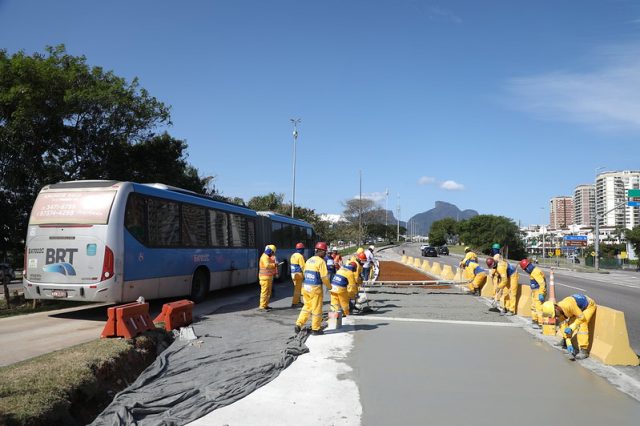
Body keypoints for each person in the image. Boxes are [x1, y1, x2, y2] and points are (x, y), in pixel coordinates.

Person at [542, 294, 597, 360]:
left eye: (555, 315)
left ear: (556, 308)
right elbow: (563, 326)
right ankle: (564, 341)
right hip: (577, 309)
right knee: (569, 324)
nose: (556, 317)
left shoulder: (568, 305)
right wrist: (568, 342)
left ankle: (584, 351)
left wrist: (572, 327)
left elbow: (581, 317)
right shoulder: (559, 311)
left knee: (582, 324)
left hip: (588, 306)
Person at [295, 242, 332, 335]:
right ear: (321, 251)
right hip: (315, 288)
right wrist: (329, 287)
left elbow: (305, 272)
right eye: (325, 252)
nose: (325, 254)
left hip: (306, 286)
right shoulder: (321, 262)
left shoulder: (309, 260)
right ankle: (316, 328)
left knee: (307, 306)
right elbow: (324, 277)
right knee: (316, 308)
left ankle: (299, 323)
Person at [519, 258, 547, 329]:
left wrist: (541, 293)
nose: (525, 271)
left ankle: (540, 323)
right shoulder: (533, 271)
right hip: (535, 291)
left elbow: (542, 284)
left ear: (527, 268)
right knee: (533, 306)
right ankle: (535, 320)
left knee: (538, 307)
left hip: (539, 291)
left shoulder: (535, 272)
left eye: (525, 269)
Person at [258, 245, 277, 311]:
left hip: (268, 277)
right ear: (270, 251)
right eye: (272, 252)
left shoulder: (268, 257)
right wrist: (274, 265)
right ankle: (262, 306)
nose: (272, 254)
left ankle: (265, 305)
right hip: (264, 278)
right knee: (264, 292)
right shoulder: (264, 257)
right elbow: (267, 265)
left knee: (268, 292)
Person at [289, 242, 306, 307]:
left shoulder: (293, 255)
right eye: (303, 249)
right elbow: (303, 267)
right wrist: (306, 275)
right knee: (298, 290)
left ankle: (298, 301)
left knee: (297, 288)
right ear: (301, 249)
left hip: (293, 274)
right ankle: (295, 303)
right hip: (298, 274)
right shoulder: (300, 256)